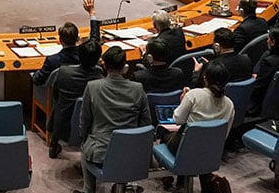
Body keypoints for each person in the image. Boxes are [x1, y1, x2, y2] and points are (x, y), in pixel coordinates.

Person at [76, 46, 151, 193]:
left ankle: (88, 189)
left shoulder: (93, 87)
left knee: (86, 145)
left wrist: (84, 139)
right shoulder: (138, 88)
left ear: (103, 65)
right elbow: (146, 123)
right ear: (125, 66)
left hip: (100, 151)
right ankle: (123, 183)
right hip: (132, 151)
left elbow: (84, 120)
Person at [161, 61, 234, 193]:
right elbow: (225, 135)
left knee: (163, 133)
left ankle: (174, 180)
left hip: (185, 148)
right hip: (211, 151)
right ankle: (199, 182)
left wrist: (183, 101)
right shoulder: (230, 104)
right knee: (199, 148)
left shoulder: (193, 95)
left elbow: (178, 120)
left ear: (205, 77)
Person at [47, 0, 104, 158]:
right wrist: (92, 12)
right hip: (92, 122)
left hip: (64, 120)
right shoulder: (99, 77)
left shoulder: (64, 72)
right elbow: (94, 39)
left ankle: (54, 143)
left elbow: (55, 93)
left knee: (59, 102)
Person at [32, 0, 101, 85]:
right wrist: (92, 13)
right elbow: (95, 39)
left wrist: (34, 73)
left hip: (59, 97)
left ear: (60, 40)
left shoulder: (52, 60)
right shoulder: (88, 54)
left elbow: (37, 80)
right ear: (78, 38)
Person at [248, 26, 279, 116]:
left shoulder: (269, 62)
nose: (267, 41)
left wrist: (255, 79)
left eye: (268, 39)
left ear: (273, 42)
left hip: (258, 104)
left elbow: (258, 88)